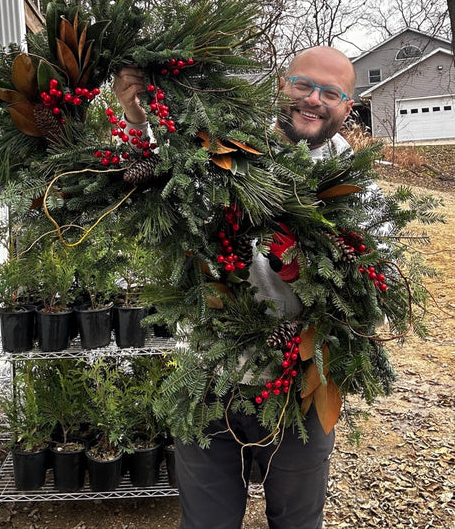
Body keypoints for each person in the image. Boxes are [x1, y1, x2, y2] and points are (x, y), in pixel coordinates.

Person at [113, 46, 356, 529]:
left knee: (298, 521)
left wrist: (311, 272)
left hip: (299, 388)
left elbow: (377, 298)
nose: (313, 99)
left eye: (331, 92)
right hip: (208, 378)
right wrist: (137, 121)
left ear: (348, 106)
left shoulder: (356, 186)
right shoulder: (227, 152)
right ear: (281, 87)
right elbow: (158, 191)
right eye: (302, 84)